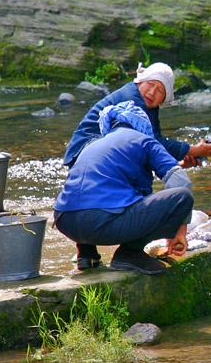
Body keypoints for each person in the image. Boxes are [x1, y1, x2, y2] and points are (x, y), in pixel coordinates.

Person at [54, 101, 194, 275]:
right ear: (142, 125)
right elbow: (181, 181)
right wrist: (179, 232)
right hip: (101, 222)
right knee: (182, 196)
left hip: (64, 220)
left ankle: (87, 254)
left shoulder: (92, 145)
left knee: (91, 194)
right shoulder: (145, 141)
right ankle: (130, 253)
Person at [63, 62, 211, 169]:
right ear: (140, 82)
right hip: (85, 152)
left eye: (160, 91)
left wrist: (178, 165)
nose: (152, 92)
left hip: (92, 156)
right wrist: (193, 150)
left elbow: (150, 149)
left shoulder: (149, 107)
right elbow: (154, 143)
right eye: (150, 85)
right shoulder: (133, 100)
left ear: (164, 100)